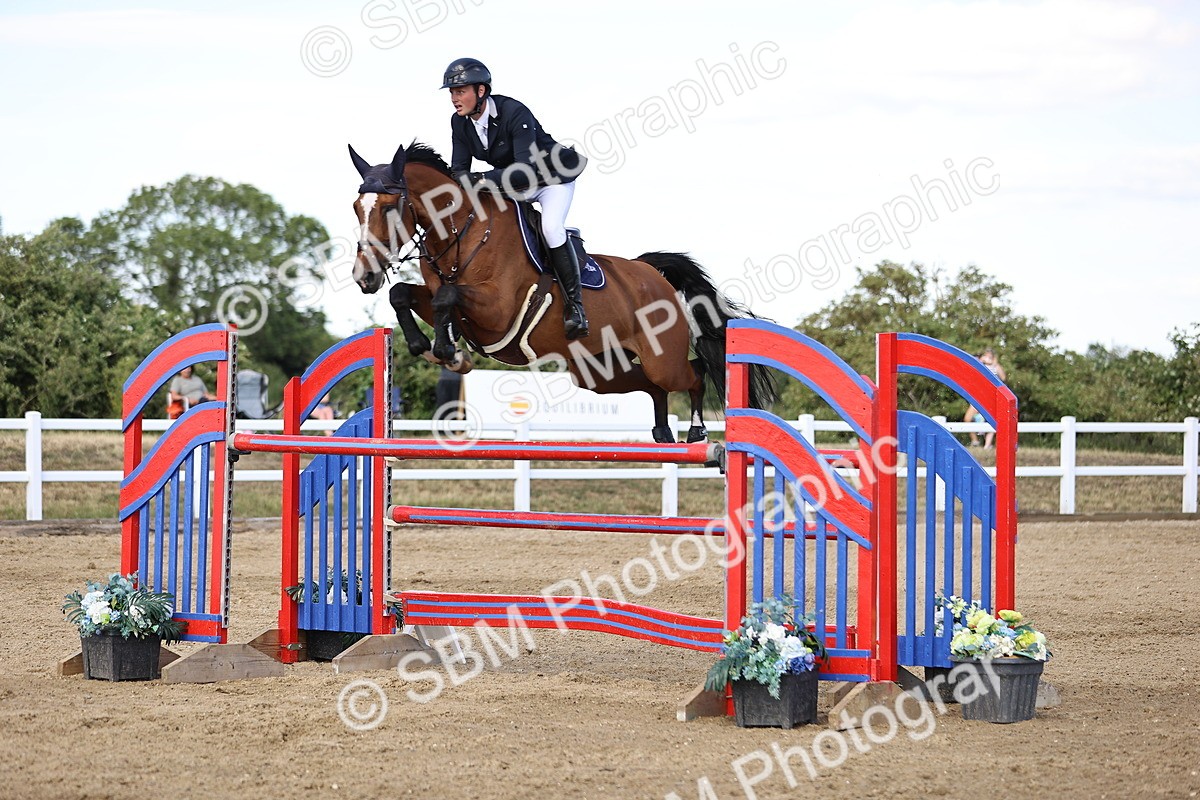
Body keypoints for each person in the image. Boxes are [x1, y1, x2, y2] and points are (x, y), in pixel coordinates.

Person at [442, 57, 590, 339]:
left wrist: (477, 180)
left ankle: (576, 308)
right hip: (510, 185)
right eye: (452, 92)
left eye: (460, 91)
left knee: (550, 228)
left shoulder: (514, 111)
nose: (454, 99)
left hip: (550, 180)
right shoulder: (459, 122)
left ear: (481, 91)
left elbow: (524, 172)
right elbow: (458, 171)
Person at [964, 348, 1007, 448]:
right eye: (985, 355)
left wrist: (995, 364)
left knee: (992, 421)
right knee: (967, 419)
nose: (987, 357)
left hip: (990, 399)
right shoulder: (979, 365)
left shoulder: (995, 367)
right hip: (977, 398)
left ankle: (987, 445)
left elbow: (1003, 378)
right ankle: (975, 441)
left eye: (989, 356)